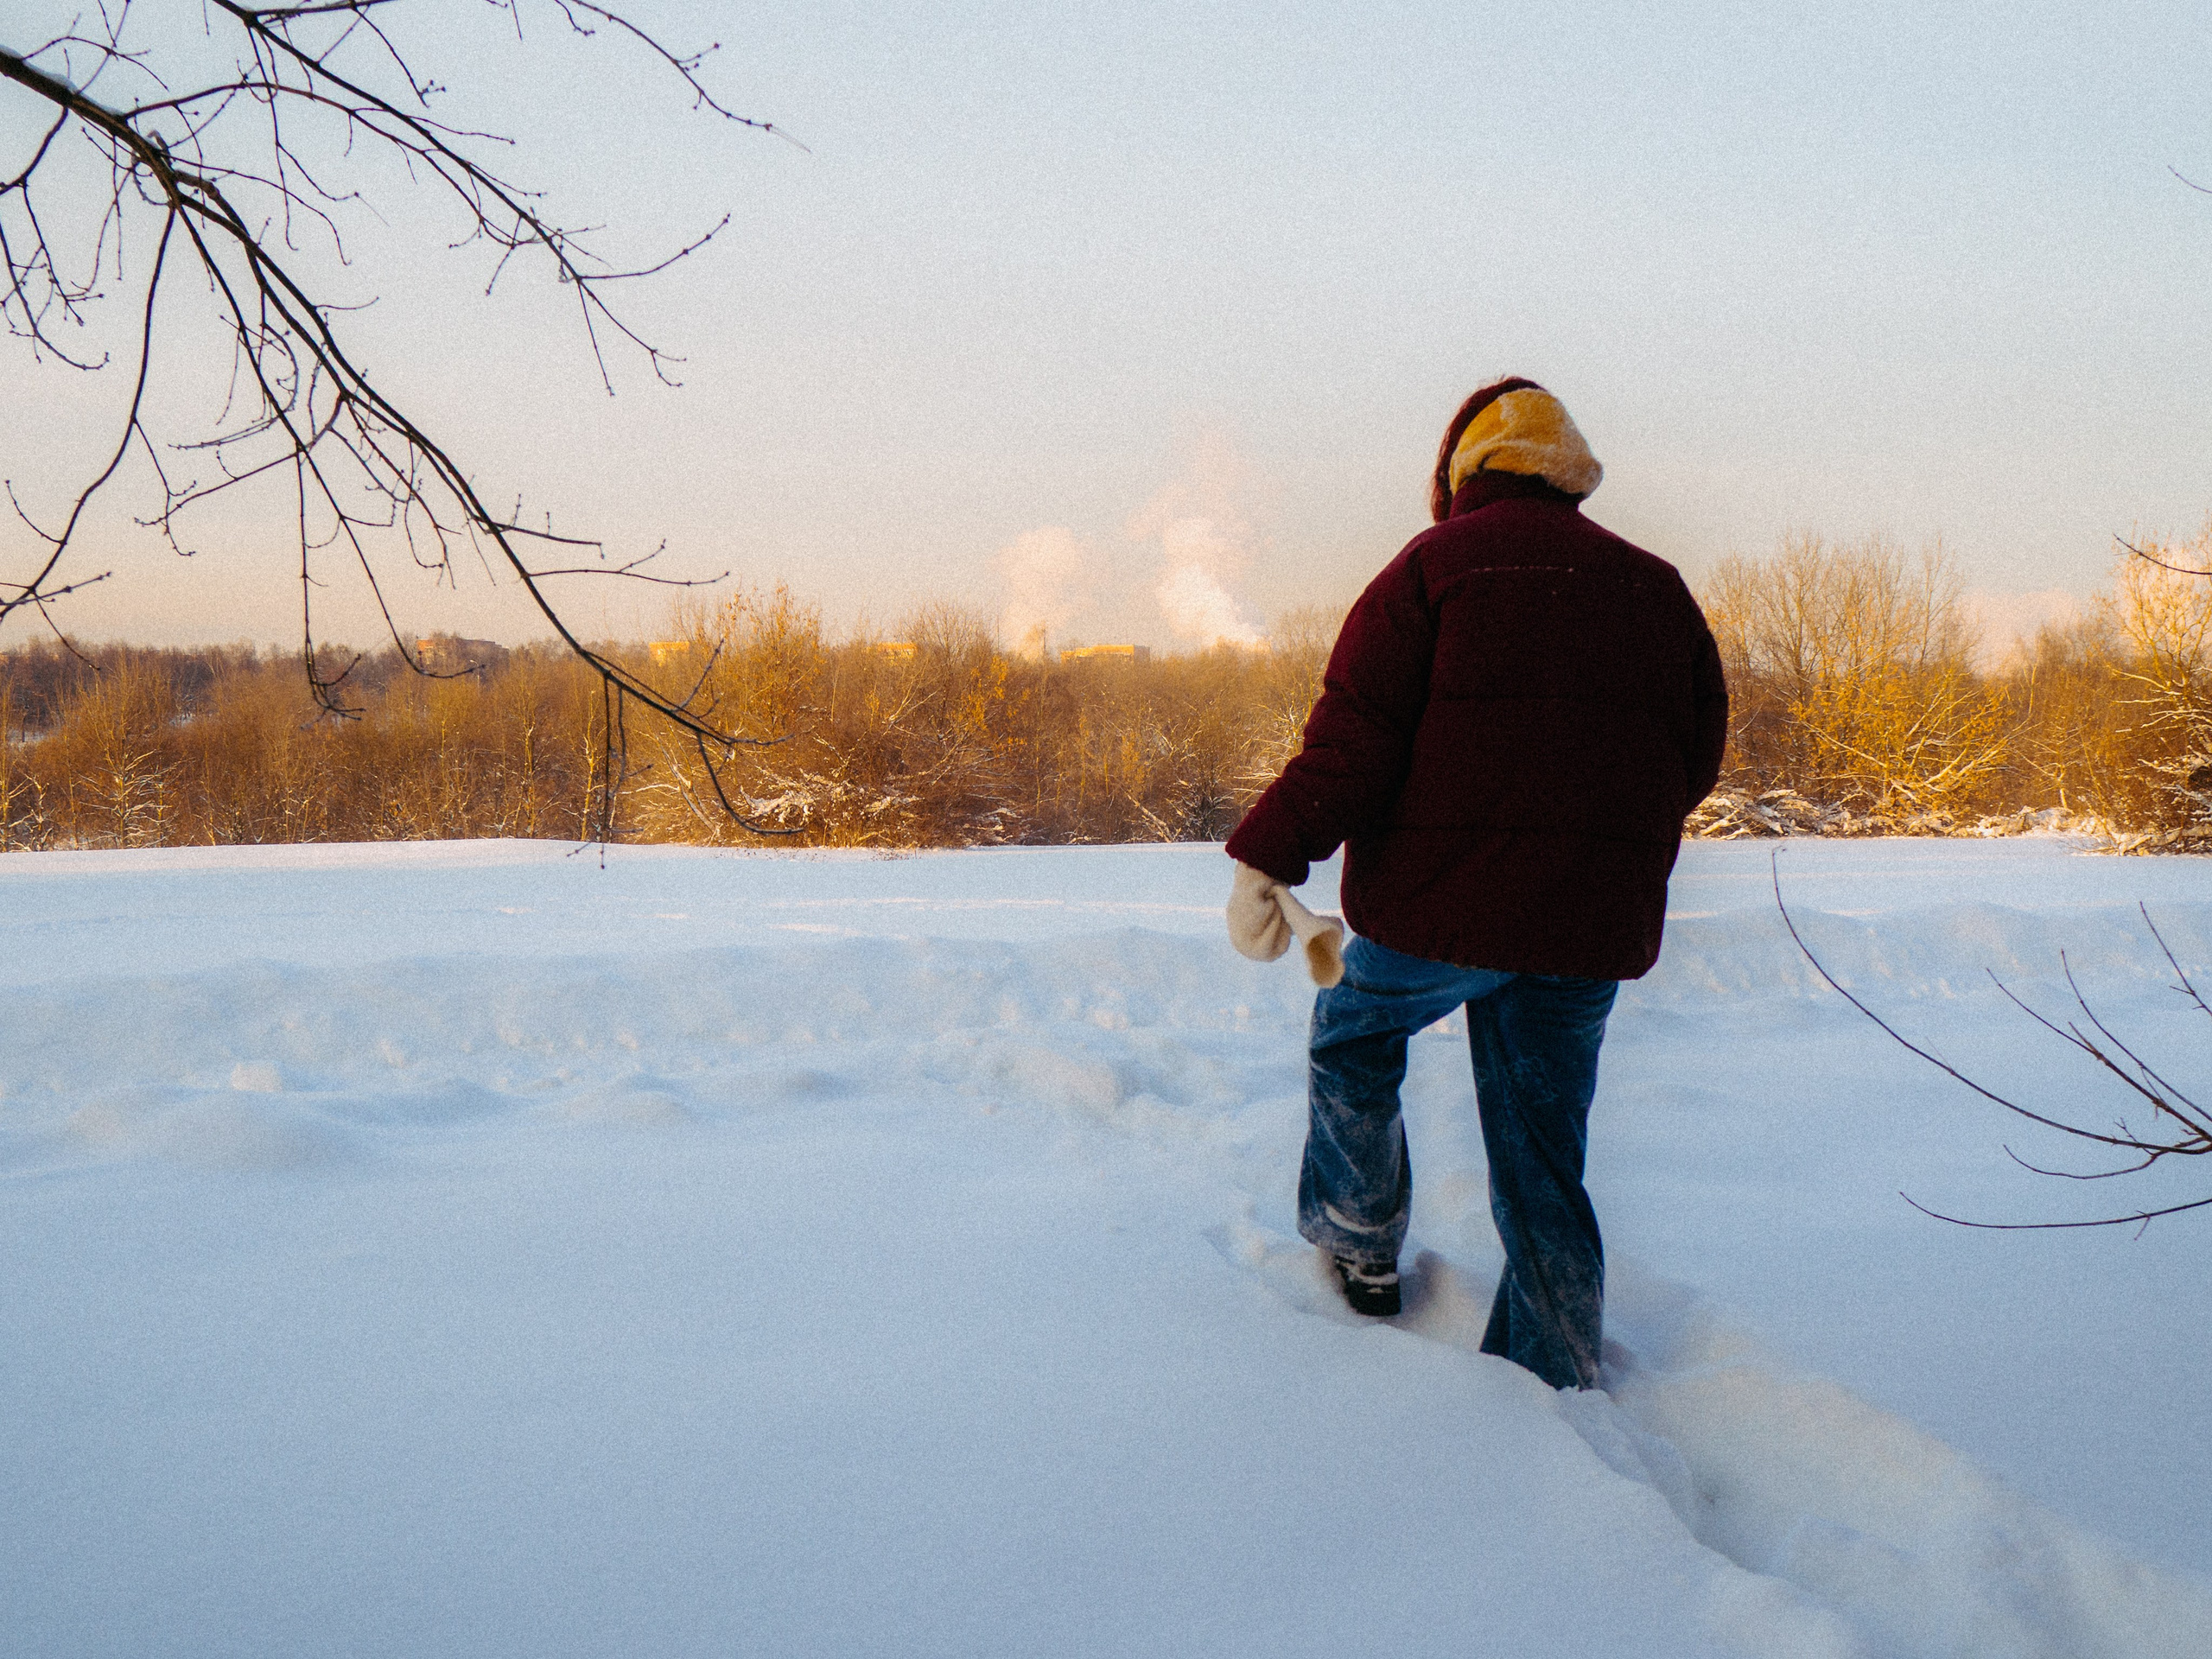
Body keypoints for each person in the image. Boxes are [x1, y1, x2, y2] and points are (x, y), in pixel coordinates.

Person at [1223, 379, 1727, 1391]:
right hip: (1587, 923)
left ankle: (1361, 1241)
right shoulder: (1654, 587)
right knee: (1543, 1143)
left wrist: (1268, 854)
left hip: (1440, 910)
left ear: (1462, 471)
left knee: (1355, 1038)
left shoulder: (1431, 570)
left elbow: (1351, 746)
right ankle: (1553, 1365)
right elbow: (1696, 756)